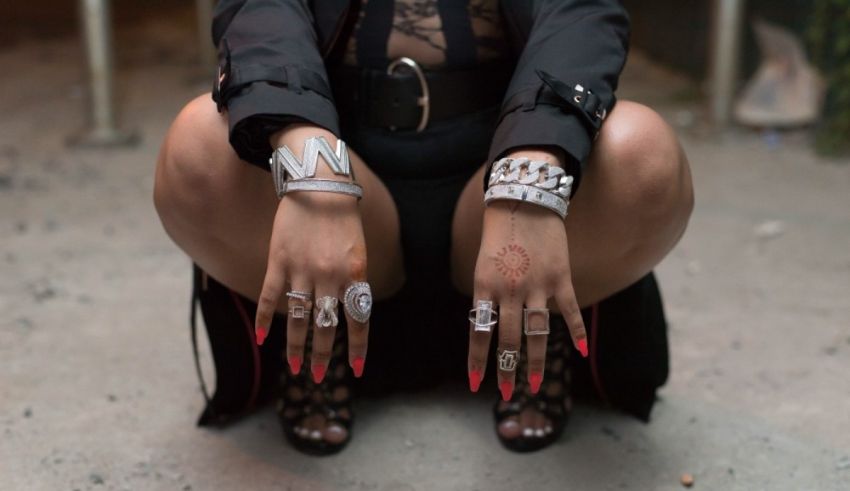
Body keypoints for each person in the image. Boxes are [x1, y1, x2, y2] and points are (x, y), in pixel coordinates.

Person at [153, 0, 693, 455]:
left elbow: (580, 13)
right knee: (199, 144)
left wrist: (531, 179)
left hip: (497, 153)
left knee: (641, 154)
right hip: (344, 147)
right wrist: (310, 166)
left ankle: (531, 315)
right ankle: (323, 320)